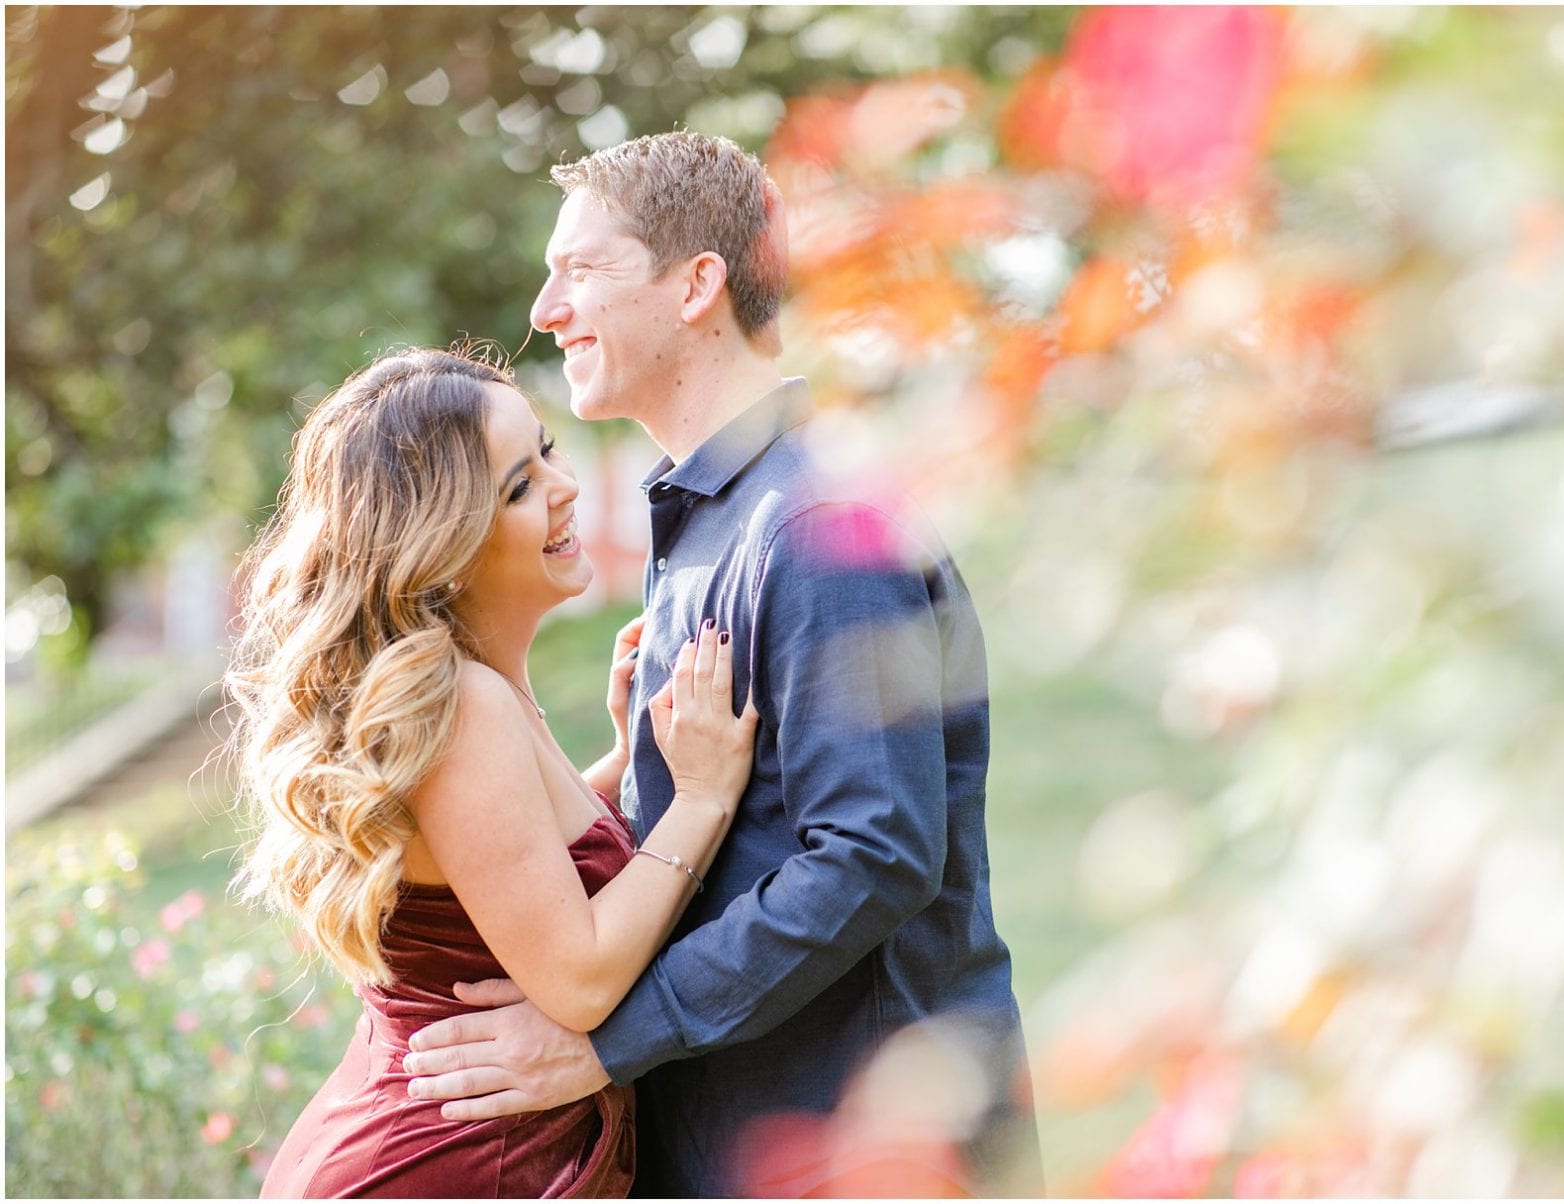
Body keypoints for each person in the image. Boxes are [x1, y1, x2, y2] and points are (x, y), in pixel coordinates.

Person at [403, 132, 1043, 1195]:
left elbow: (872, 856)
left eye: (583, 268)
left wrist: (608, 1043)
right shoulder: (715, 516)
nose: (544, 308)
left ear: (698, 284)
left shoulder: (820, 525)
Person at [227, 347, 758, 1197]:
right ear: (444, 543)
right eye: (518, 487)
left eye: (546, 450)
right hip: (447, 1170)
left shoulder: (474, 692)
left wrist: (623, 768)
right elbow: (577, 979)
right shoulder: (461, 705)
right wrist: (697, 800)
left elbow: (496, 876)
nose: (565, 486)